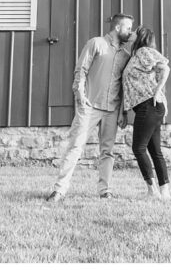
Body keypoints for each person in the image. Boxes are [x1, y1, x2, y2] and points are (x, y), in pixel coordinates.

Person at [45, 13, 135, 202]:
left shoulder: (125, 54)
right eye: (128, 28)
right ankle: (59, 190)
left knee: (107, 151)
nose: (130, 32)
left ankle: (105, 190)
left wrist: (121, 112)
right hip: (90, 106)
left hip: (112, 109)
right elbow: (81, 69)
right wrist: (79, 95)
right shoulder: (96, 43)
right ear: (117, 27)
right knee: (75, 146)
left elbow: (122, 85)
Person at [121, 25, 171, 201]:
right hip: (148, 107)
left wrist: (158, 91)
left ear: (140, 36)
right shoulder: (136, 56)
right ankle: (164, 192)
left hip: (149, 105)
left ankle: (153, 191)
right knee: (154, 150)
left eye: (134, 31)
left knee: (139, 148)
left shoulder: (143, 51)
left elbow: (165, 68)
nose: (131, 33)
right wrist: (125, 111)